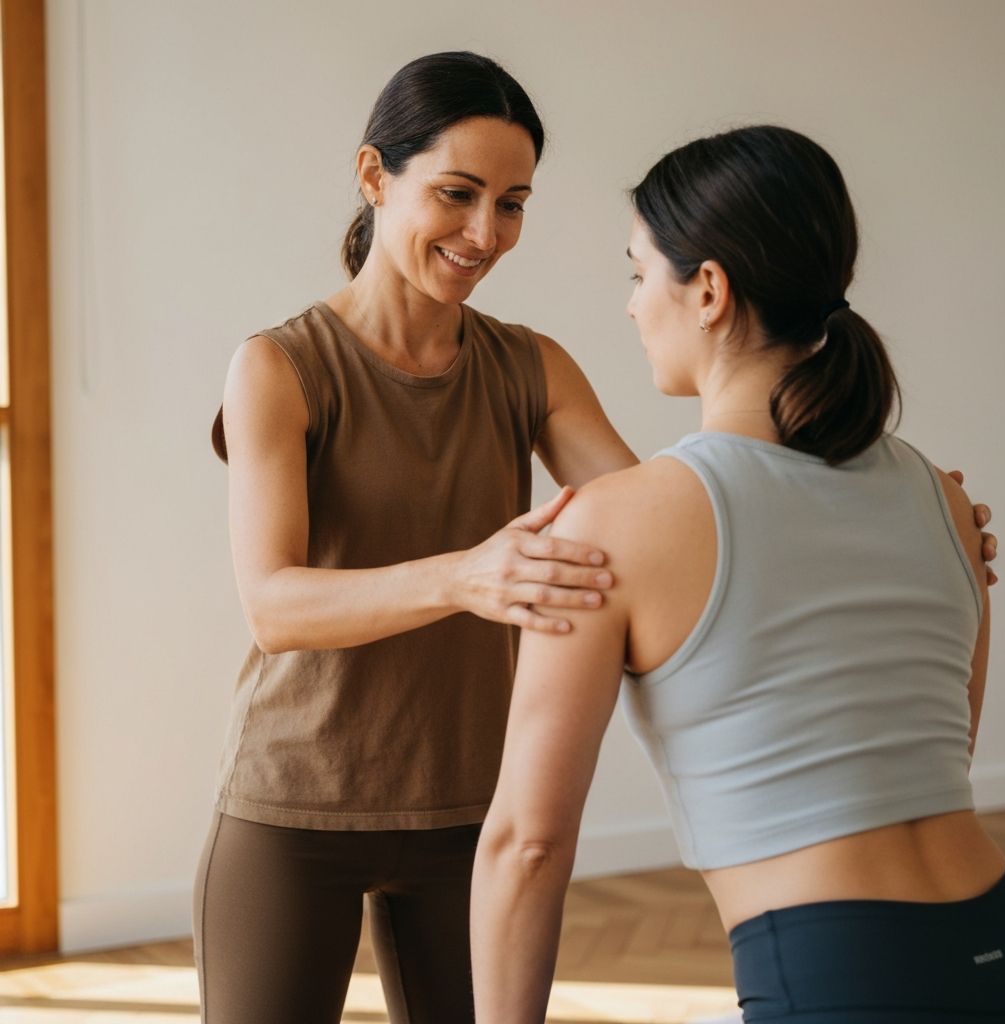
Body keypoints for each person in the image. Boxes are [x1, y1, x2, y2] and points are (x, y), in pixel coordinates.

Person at [470, 125, 1005, 1024]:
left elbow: (527, 845)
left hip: (840, 977)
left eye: (639, 273)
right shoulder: (940, 496)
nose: (631, 305)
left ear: (711, 290)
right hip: (1002, 943)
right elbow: (931, 755)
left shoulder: (614, 522)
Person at [191, 51, 636, 1024]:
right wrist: (467, 577)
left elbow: (654, 517)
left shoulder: (529, 366)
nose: (485, 234)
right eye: (458, 193)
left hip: (474, 811)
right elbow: (274, 605)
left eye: (511, 203)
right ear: (372, 175)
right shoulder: (278, 366)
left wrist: (866, 488)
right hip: (292, 805)